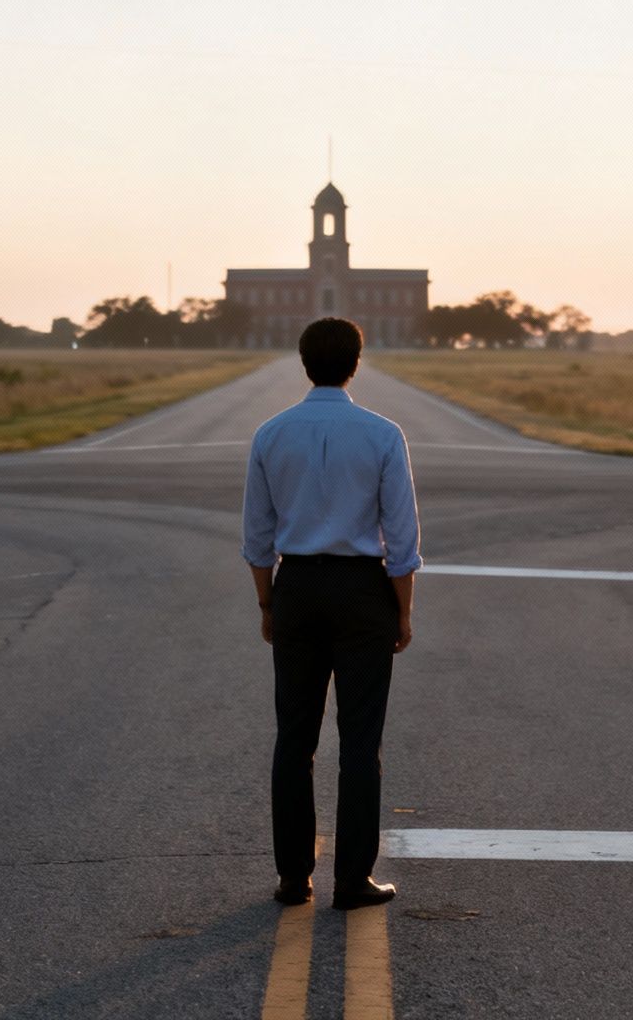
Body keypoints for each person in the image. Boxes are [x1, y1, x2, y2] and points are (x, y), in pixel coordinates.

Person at [242, 317, 421, 910]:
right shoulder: (383, 434)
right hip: (361, 590)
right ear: (356, 362)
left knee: (294, 738)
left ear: (302, 361)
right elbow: (401, 538)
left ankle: (294, 877)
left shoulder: (271, 433)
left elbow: (257, 535)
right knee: (359, 741)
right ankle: (352, 879)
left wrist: (268, 602)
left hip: (296, 587)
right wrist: (403, 613)